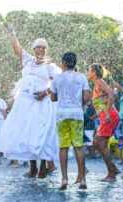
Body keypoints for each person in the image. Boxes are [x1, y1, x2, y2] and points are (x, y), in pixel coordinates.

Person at [0, 23, 60, 178]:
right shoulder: (27, 60)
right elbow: (16, 48)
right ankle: (32, 167)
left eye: (43, 48)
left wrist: (45, 92)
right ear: (34, 49)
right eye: (38, 47)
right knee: (27, 134)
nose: (41, 50)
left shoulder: (50, 67)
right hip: (25, 103)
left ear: (46, 51)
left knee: (40, 133)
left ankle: (44, 167)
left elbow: (56, 85)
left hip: (42, 103)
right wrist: (11, 32)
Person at [50, 51, 89, 189]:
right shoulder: (82, 77)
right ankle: (83, 179)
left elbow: (53, 98)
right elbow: (86, 97)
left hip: (62, 115)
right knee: (78, 146)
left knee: (63, 147)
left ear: (64, 63)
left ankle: (64, 179)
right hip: (77, 114)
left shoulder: (56, 78)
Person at [87, 63, 120, 182]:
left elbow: (112, 94)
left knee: (99, 143)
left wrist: (106, 113)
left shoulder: (100, 82)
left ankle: (111, 174)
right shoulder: (97, 83)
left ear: (94, 73)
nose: (87, 73)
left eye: (89, 70)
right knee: (96, 142)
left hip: (109, 116)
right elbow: (102, 103)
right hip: (106, 116)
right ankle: (113, 168)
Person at [83, 89, 97, 158]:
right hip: (87, 125)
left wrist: (90, 118)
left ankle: (92, 154)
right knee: (88, 141)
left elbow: (97, 114)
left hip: (90, 125)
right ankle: (90, 153)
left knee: (90, 141)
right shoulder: (88, 106)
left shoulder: (92, 106)